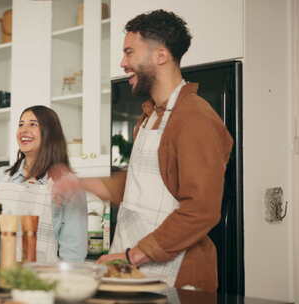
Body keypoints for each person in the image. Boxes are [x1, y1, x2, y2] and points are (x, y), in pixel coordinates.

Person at [51, 10, 233, 291]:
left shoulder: (196, 118)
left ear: (160, 55)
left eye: (129, 52)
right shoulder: (148, 117)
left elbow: (200, 210)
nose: (123, 63)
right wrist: (79, 183)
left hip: (175, 275)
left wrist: (130, 256)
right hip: (136, 271)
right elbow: (138, 187)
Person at [0, 105, 87, 262]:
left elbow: (74, 250)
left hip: (39, 280)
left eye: (33, 124)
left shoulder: (67, 184)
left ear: (50, 133)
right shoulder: (2, 176)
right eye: (21, 124)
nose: (23, 130)